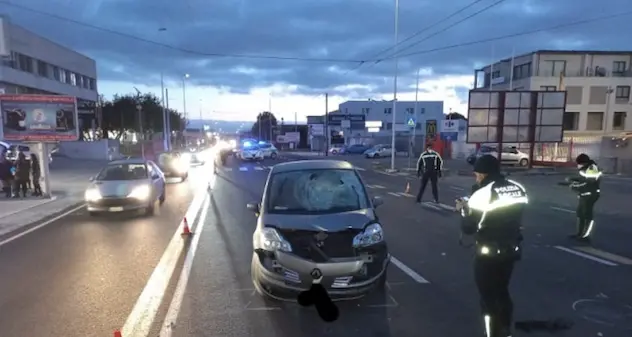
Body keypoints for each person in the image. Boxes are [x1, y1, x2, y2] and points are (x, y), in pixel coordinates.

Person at [456, 155, 528, 337]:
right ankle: (506, 330)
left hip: (488, 254)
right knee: (502, 291)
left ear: (483, 174)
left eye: (477, 174)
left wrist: (464, 210)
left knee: (488, 298)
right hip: (511, 250)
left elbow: (469, 228)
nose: (476, 178)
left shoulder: (482, 194)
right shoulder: (517, 188)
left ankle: (493, 333)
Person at [567, 153, 601, 243]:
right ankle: (579, 233)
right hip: (584, 194)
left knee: (587, 214)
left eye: (580, 163)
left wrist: (575, 187)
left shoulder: (592, 168)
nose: (578, 165)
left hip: (591, 194)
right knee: (580, 213)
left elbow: (589, 183)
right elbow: (583, 179)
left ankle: (585, 236)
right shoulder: (585, 168)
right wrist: (573, 179)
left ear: (584, 162)